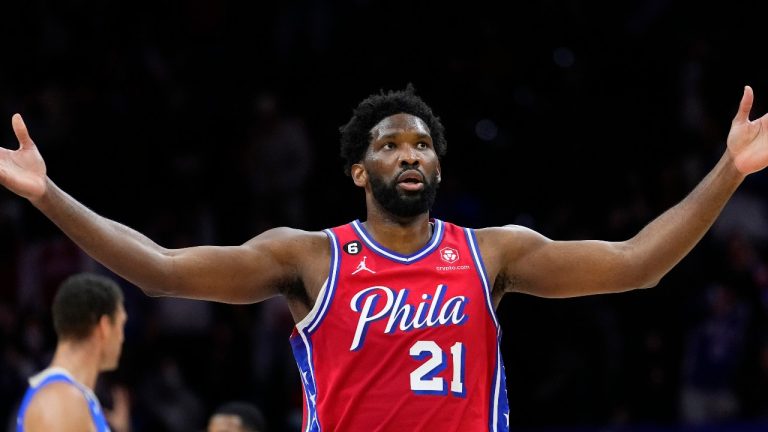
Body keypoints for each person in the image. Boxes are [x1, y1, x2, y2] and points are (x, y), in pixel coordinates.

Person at [1, 83, 767, 431]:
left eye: (423, 144)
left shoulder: (492, 254)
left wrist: (729, 170)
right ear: (359, 172)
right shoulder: (308, 259)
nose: (411, 152)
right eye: (390, 143)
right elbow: (159, 269)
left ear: (437, 169)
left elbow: (639, 262)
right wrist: (48, 195)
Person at [14, 272, 129, 432]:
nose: (122, 338)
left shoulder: (71, 396)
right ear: (104, 327)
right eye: (121, 325)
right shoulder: (61, 400)